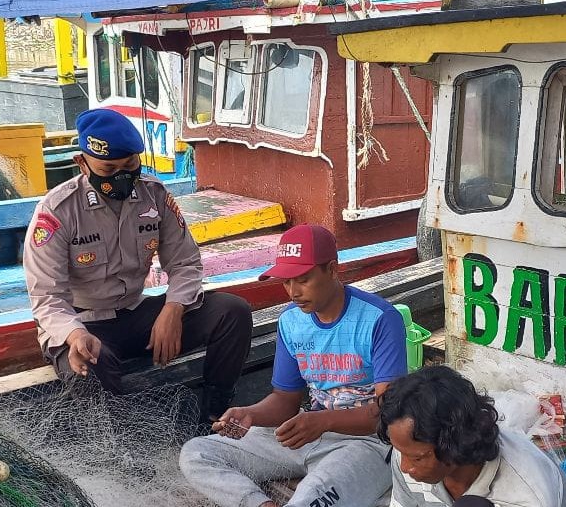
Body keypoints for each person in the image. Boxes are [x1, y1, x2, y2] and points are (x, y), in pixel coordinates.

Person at [23, 108, 252, 420]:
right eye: (109, 167)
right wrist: (75, 335)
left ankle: (216, 416)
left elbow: (185, 263)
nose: (122, 176)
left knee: (231, 312)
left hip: (134, 314)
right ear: (82, 163)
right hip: (82, 323)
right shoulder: (57, 211)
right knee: (89, 362)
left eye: (130, 165)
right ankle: (118, 452)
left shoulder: (154, 196)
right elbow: (47, 298)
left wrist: (174, 309)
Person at [179, 224, 408, 507]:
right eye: (285, 281)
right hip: (307, 434)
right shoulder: (290, 321)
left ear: (333, 270)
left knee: (307, 498)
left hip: (366, 444)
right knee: (196, 453)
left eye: (302, 279)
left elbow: (389, 414)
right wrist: (250, 414)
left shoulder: (380, 319)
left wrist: (322, 421)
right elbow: (285, 401)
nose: (292, 292)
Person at [378, 365, 566, 507]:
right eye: (400, 451)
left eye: (417, 458)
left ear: (453, 444)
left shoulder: (526, 495)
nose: (405, 467)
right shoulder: (408, 448)